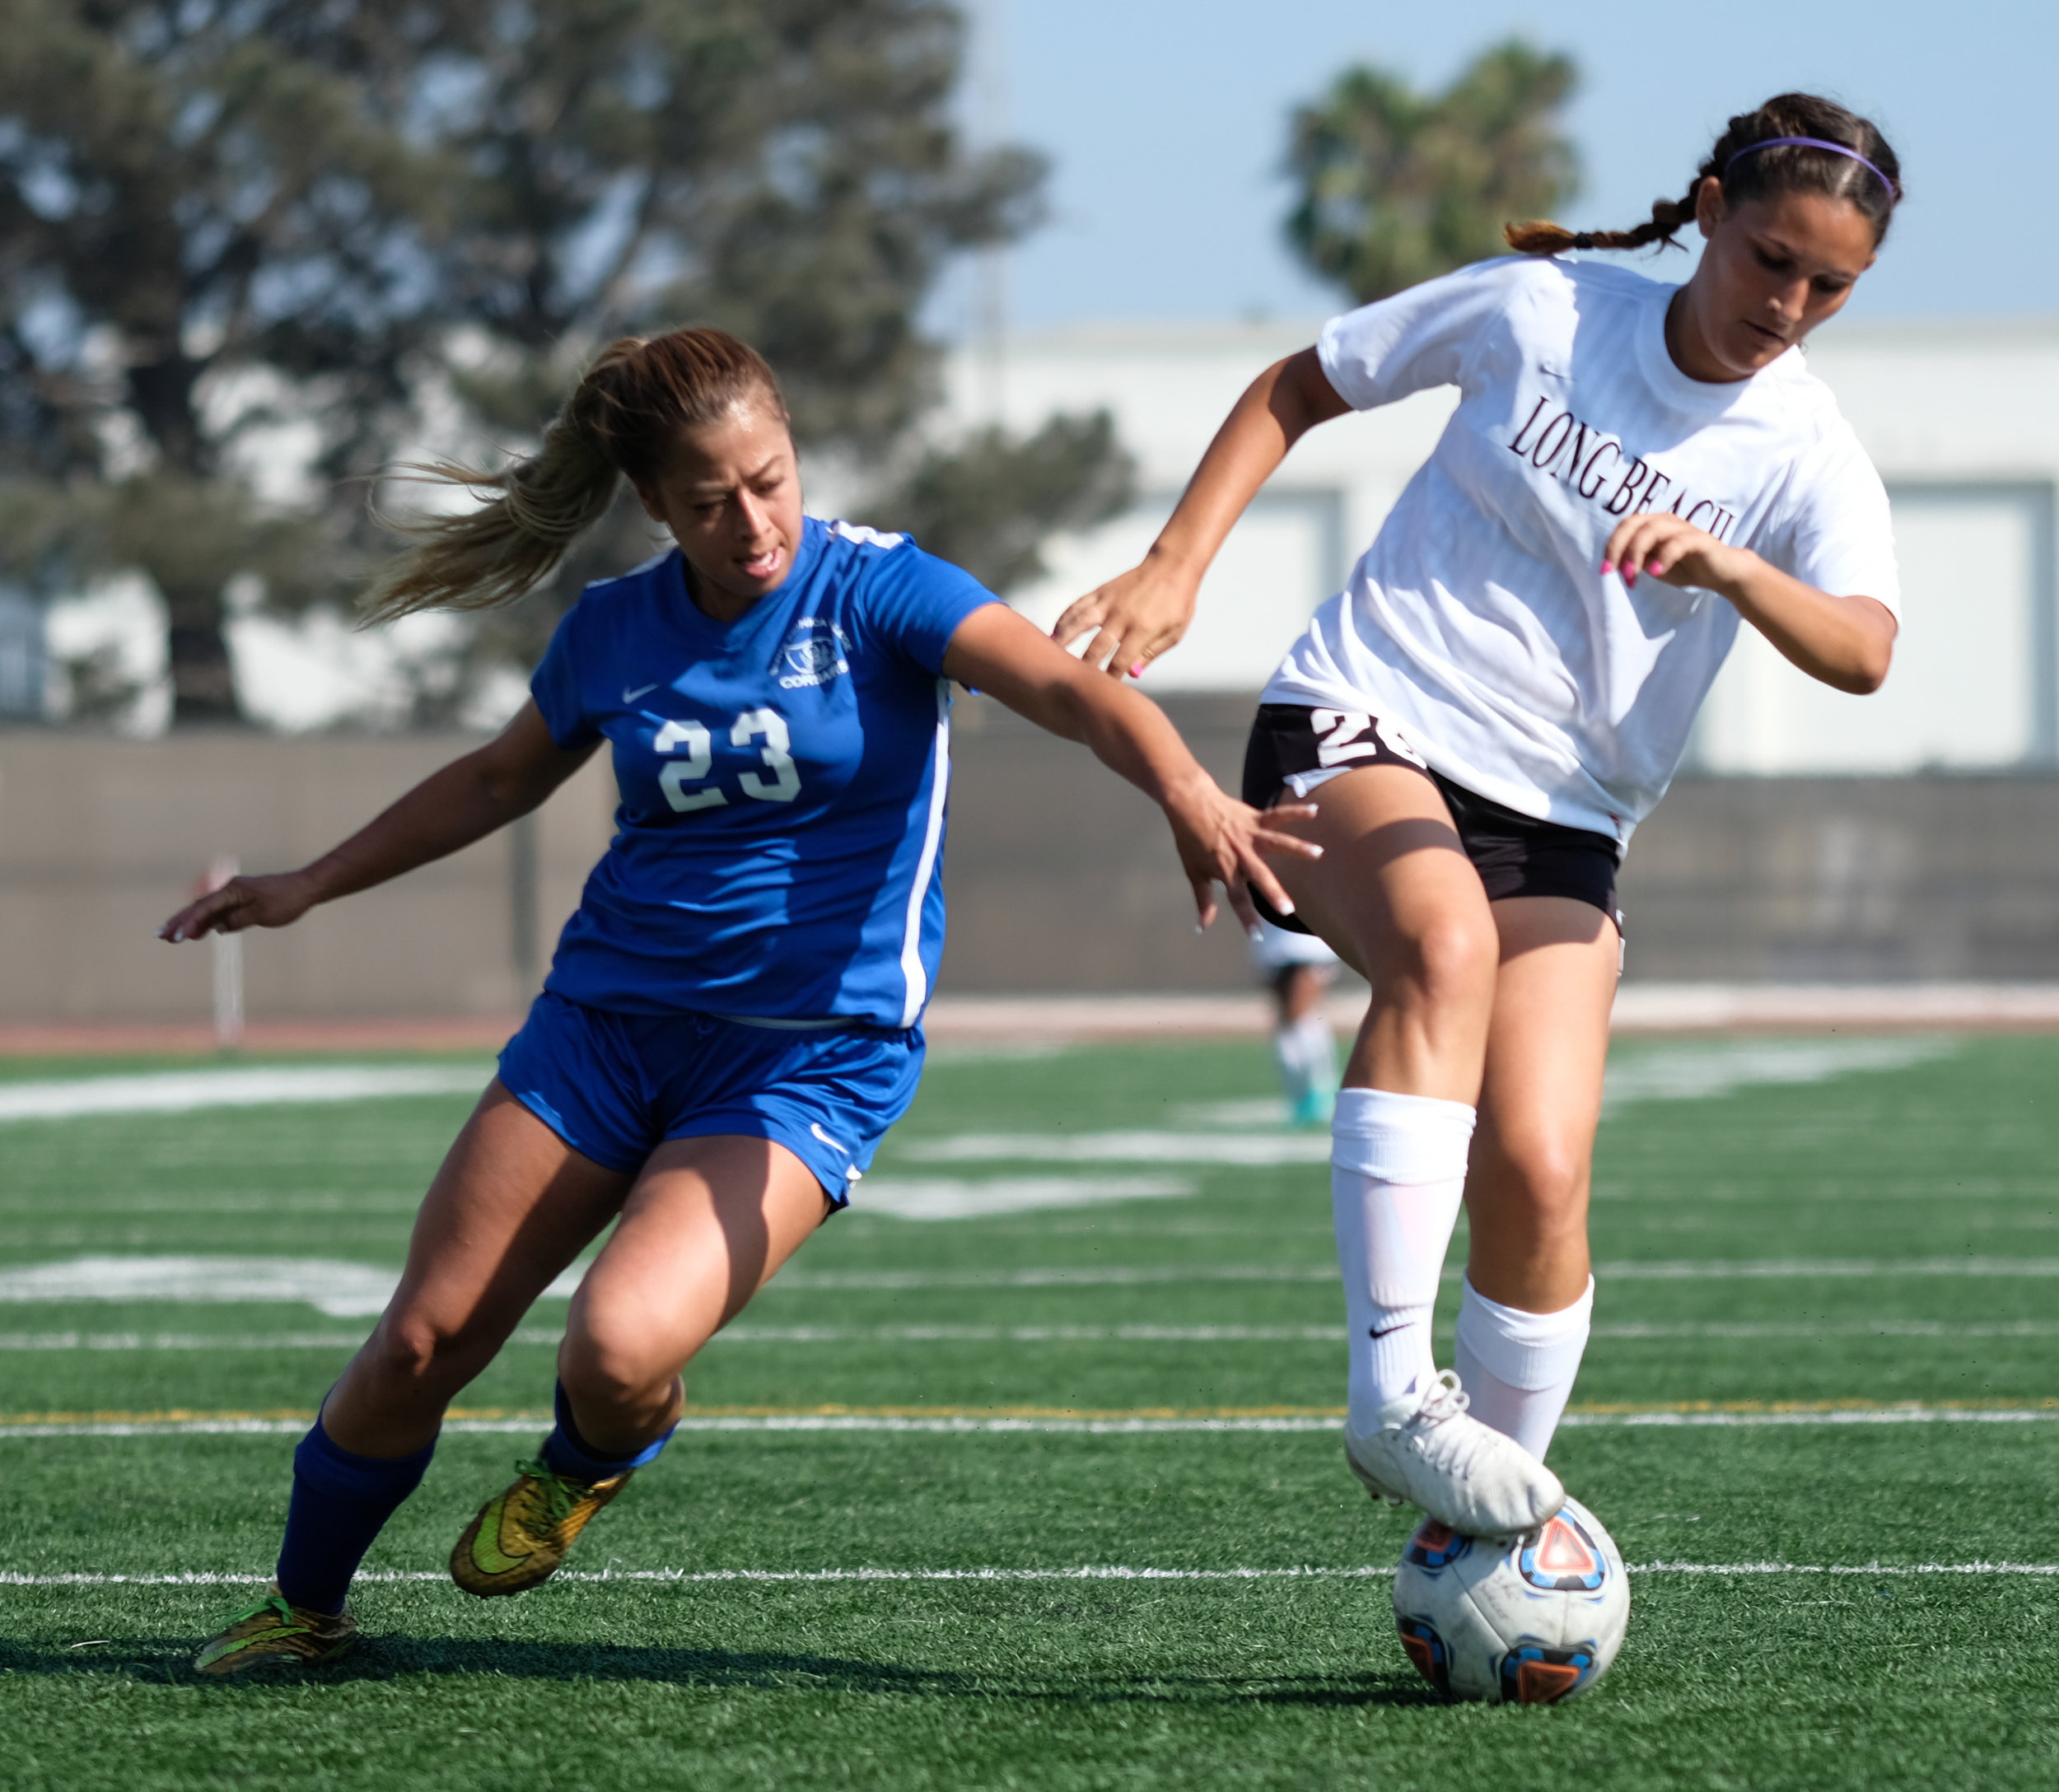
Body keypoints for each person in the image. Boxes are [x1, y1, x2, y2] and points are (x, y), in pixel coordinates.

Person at [160, 326, 1315, 1675]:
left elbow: (1066, 688)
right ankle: (306, 1609)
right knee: (422, 1339)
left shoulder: (882, 591)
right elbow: (491, 782)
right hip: (601, 1032)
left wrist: (1187, 788)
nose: (753, 521)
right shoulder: (612, 632)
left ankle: (596, 1453)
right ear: (653, 502)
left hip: (807, 1060)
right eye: (709, 501)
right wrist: (309, 883)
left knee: (613, 1345)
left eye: (771, 479)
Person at [1055, 96, 1902, 1537]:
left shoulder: (1803, 451)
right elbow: (1296, 385)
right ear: (1707, 211)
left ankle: (1488, 1528)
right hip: (1367, 712)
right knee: (1439, 948)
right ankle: (1393, 1397)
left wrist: (1736, 571)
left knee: (1542, 1166)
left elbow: (1866, 648)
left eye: (1831, 286)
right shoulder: (1539, 310)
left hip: (1569, 815)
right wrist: (1173, 565)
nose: (1792, 304)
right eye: (1772, 259)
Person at [1250, 919, 1341, 1127]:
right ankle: (1300, 1096)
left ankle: (1319, 1092)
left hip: (1307, 946)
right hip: (1273, 945)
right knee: (1288, 1023)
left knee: (1300, 1017)